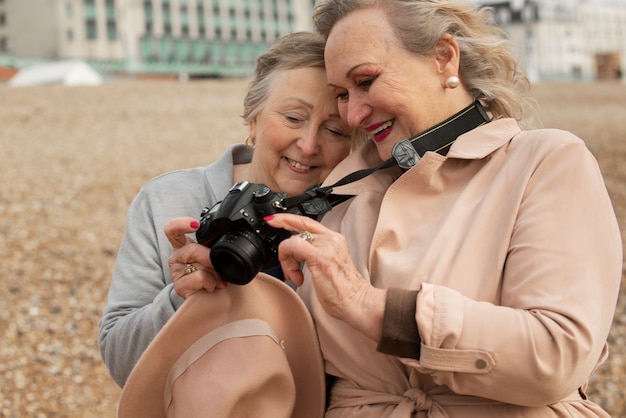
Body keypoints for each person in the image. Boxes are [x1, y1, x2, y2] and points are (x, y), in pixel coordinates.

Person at [263, 1, 623, 416]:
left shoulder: (544, 162)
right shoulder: (339, 190)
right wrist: (231, 281)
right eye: (342, 95)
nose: (355, 114)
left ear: (443, 58)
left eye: (366, 80)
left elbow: (555, 357)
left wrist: (370, 307)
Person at [98, 31, 363, 388]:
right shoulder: (167, 199)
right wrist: (182, 298)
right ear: (253, 119)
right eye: (293, 118)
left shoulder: (357, 217)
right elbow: (120, 363)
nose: (309, 144)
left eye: (334, 130)